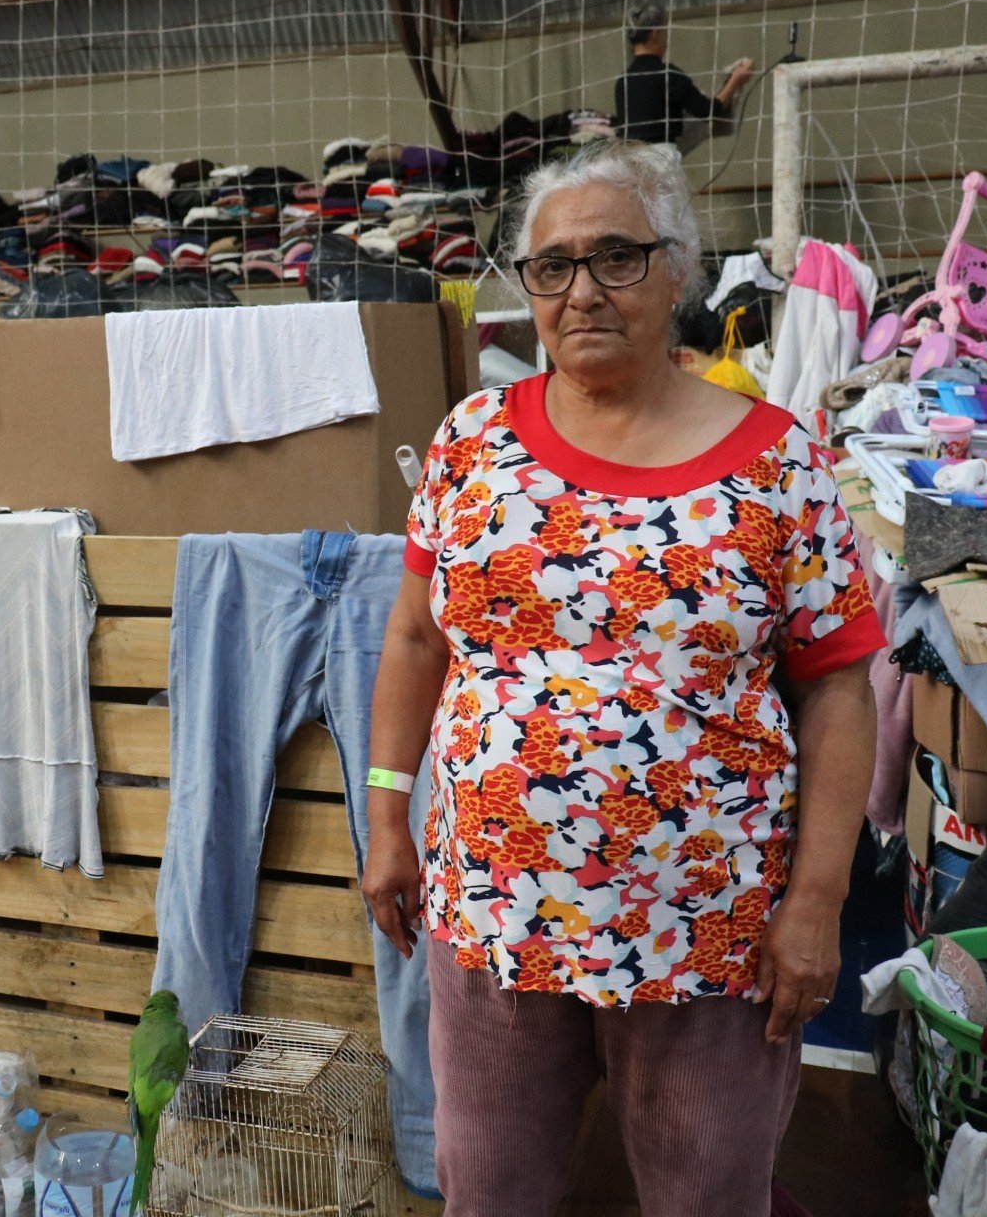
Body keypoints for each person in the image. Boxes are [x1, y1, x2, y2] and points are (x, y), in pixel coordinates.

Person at [361, 140, 882, 1217]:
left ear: (680, 268)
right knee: (491, 1193)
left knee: (707, 1195)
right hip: (497, 917)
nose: (582, 291)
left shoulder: (778, 464)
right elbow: (416, 641)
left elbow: (838, 686)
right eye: (552, 266)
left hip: (710, 932)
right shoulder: (470, 447)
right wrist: (383, 819)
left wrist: (818, 901)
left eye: (617, 257)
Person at [614, 4, 755, 151]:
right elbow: (707, 111)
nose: (667, 42)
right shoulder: (667, 75)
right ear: (656, 34)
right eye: (665, 34)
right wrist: (735, 81)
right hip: (663, 160)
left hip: (632, 162)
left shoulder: (622, 82)